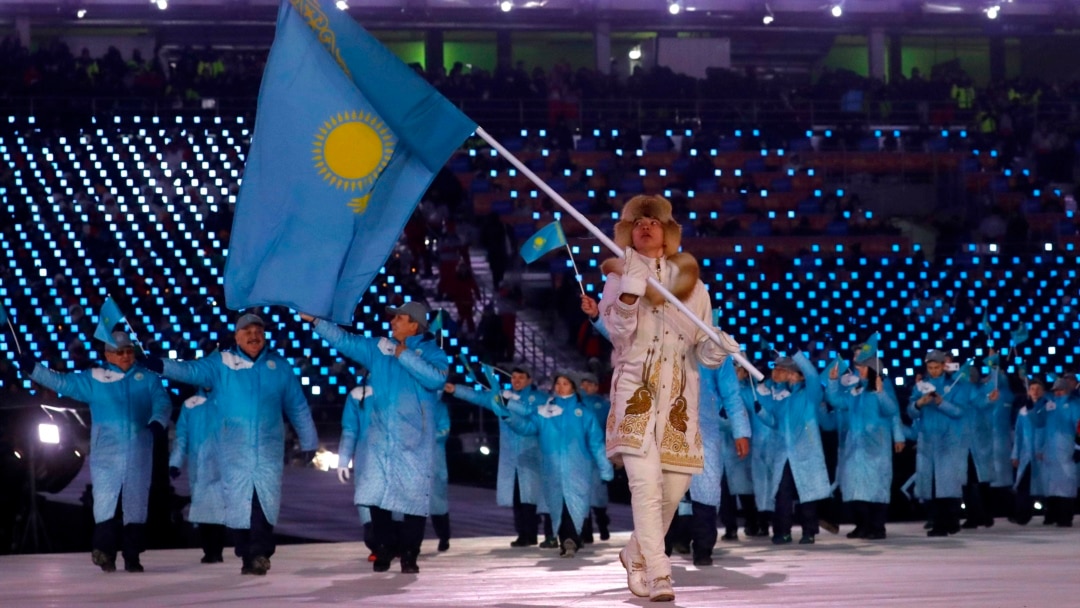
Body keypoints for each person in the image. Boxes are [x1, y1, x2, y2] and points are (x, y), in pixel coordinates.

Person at [596, 194, 740, 602]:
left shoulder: (693, 285)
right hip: (635, 391)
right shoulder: (617, 278)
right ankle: (659, 573)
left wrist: (718, 346)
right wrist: (630, 293)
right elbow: (618, 334)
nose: (646, 226)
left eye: (653, 221)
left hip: (679, 400)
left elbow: (703, 351)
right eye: (638, 222)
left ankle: (634, 551)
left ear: (666, 231)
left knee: (673, 492)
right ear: (628, 232)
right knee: (645, 486)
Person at [144, 313, 318, 575]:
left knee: (264, 502)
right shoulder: (222, 363)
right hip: (233, 450)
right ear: (237, 337)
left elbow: (297, 405)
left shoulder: (278, 366)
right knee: (239, 505)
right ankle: (247, 554)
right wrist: (160, 364)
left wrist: (309, 440)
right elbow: (191, 370)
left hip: (268, 451)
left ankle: (260, 553)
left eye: (258, 331)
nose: (253, 336)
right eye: (247, 331)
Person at [303, 301, 448, 574]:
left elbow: (436, 380)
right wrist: (316, 321)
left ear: (414, 324)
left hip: (413, 441)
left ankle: (409, 554)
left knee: (413, 499)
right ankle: (383, 550)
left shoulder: (433, 353)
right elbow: (345, 341)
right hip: (381, 440)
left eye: (399, 318)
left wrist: (404, 355)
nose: (392, 322)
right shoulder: (379, 348)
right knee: (377, 497)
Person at [18, 331, 171, 573]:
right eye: (120, 352)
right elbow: (61, 382)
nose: (125, 356)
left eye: (129, 351)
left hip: (139, 450)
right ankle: (104, 552)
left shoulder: (147, 378)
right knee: (105, 502)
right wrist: (34, 369)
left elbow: (162, 402)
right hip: (106, 453)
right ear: (107, 354)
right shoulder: (95, 378)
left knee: (136, 503)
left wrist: (157, 422)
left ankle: (132, 555)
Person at [502, 371, 613, 558]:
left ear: (573, 387)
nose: (560, 387)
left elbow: (596, 443)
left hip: (578, 469)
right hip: (552, 468)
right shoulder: (546, 411)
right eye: (558, 383)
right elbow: (528, 427)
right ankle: (567, 540)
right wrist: (509, 417)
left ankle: (572, 539)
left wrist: (605, 469)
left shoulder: (584, 414)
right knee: (557, 505)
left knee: (575, 505)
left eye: (565, 384)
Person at [445, 363, 544, 548]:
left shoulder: (537, 398)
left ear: (529, 380)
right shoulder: (504, 396)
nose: (516, 381)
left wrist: (507, 402)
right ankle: (523, 533)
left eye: (521, 378)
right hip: (510, 454)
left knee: (531, 496)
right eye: (514, 377)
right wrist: (456, 389)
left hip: (531, 452)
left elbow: (530, 413)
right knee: (517, 495)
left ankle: (533, 532)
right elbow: (482, 398)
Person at [825, 356, 904, 540]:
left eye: (862, 367)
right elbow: (837, 401)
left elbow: (892, 411)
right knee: (857, 488)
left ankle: (877, 527)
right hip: (856, 446)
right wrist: (833, 381)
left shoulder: (883, 387)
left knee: (877, 489)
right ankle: (862, 525)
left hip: (877, 446)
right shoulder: (856, 390)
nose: (858, 369)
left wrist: (880, 392)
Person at [757, 353, 831, 545]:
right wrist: (761, 412)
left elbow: (813, 376)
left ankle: (809, 531)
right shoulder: (784, 398)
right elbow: (774, 422)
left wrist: (798, 355)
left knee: (807, 492)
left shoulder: (810, 394)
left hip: (806, 451)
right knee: (783, 494)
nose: (784, 375)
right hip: (784, 454)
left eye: (788, 372)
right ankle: (782, 531)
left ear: (798, 375)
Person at [686, 358, 749, 566]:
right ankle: (666, 548)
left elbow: (731, 394)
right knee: (668, 493)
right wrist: (599, 322)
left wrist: (740, 431)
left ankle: (703, 549)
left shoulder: (714, 348)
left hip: (705, 430)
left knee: (706, 490)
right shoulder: (664, 335)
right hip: (669, 429)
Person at [907, 349, 970, 537]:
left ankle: (950, 522)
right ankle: (937, 521)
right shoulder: (921, 386)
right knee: (932, 485)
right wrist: (919, 404)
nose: (933, 371)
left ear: (944, 366)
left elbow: (960, 412)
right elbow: (911, 411)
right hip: (928, 440)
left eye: (936, 367)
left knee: (947, 484)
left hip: (949, 441)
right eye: (930, 367)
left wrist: (941, 403)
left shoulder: (957, 385)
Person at [169, 387, 226, 563]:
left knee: (219, 508)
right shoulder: (191, 404)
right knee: (202, 508)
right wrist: (175, 462)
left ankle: (216, 551)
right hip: (198, 466)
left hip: (222, 465)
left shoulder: (229, 400)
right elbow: (182, 436)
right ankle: (209, 550)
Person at [337, 378, 378, 559]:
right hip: (367, 461)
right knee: (367, 504)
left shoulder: (401, 386)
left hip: (395, 460)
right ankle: (376, 546)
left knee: (394, 504)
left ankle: (396, 546)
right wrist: (343, 460)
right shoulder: (357, 394)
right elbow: (350, 429)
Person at [1035, 377, 1080, 526]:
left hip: (1066, 449)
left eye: (1060, 390)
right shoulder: (1049, 405)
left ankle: (1065, 517)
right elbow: (1040, 424)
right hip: (1051, 451)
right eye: (1056, 390)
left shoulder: (1074, 405)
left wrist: (1078, 447)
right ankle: (1051, 515)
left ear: (1066, 390)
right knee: (1051, 484)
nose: (1058, 393)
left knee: (1066, 484)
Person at [579, 371, 612, 543]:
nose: (585, 386)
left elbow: (610, 428)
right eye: (583, 383)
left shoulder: (604, 405)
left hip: (599, 455)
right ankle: (586, 533)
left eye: (589, 383)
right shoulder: (578, 404)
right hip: (580, 455)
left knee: (598, 496)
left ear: (596, 387)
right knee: (583, 495)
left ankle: (603, 523)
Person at [1011, 379, 1046, 525]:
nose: (1035, 391)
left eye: (1038, 388)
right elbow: (1018, 435)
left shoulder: (1048, 407)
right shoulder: (1023, 411)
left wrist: (1046, 450)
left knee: (1045, 485)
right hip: (1027, 454)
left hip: (1043, 454)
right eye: (1032, 388)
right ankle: (1022, 515)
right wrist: (1015, 454)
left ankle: (1054, 514)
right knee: (1024, 485)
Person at [431, 395, 452, 551]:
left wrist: (425, 438)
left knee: (437, 502)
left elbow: (444, 429)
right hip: (411, 459)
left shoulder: (439, 407)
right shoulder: (410, 402)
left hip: (434, 460)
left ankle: (444, 537)